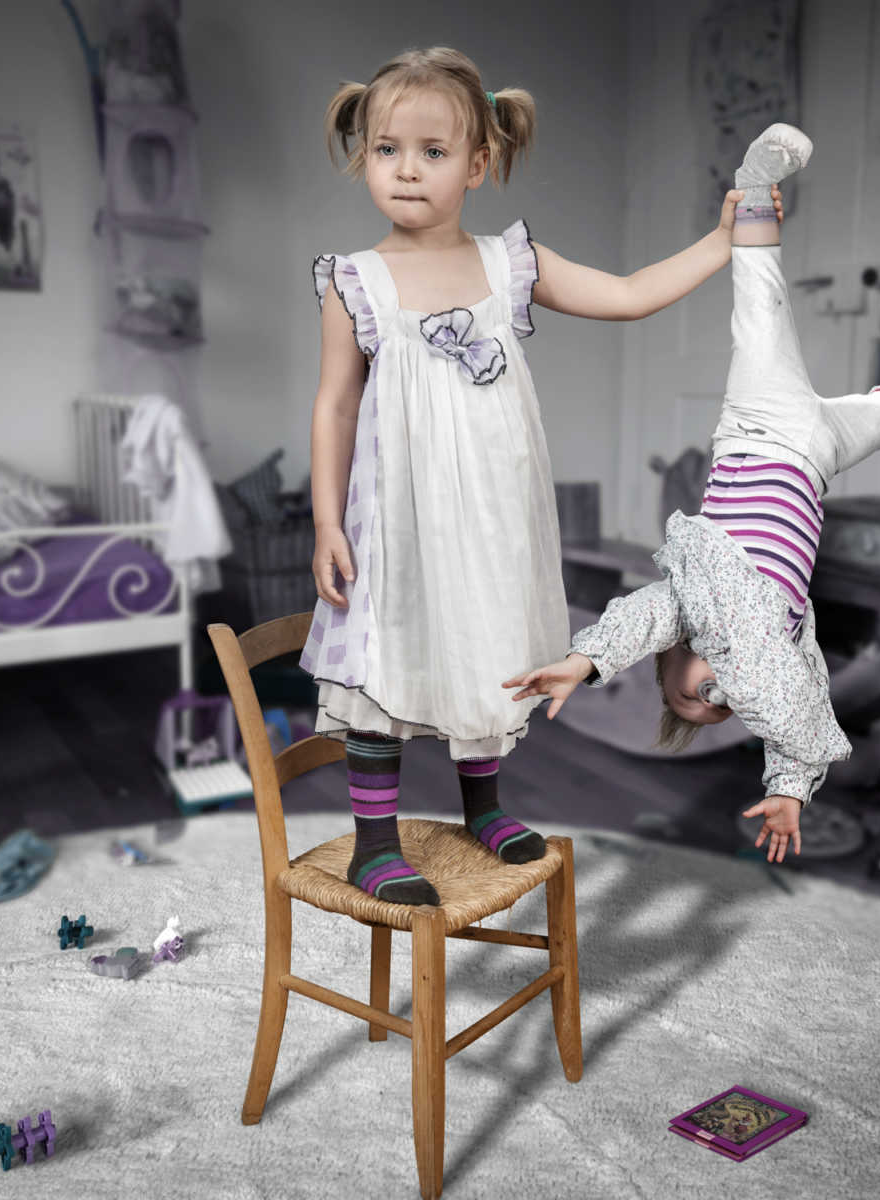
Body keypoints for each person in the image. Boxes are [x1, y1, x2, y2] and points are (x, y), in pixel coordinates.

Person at [302, 46, 782, 905]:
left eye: (433, 151)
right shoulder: (356, 283)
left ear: (480, 163)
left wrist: (721, 241)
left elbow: (631, 294)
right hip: (397, 520)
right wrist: (327, 522)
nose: (406, 170)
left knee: (489, 648)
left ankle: (484, 805)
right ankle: (377, 840)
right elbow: (337, 406)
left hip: (494, 515)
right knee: (385, 660)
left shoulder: (510, 265)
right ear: (363, 155)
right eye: (386, 150)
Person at [504, 123, 880, 865]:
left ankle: (752, 188)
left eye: (690, 695)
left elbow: (633, 622)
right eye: (716, 710)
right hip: (815, 461)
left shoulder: (688, 602)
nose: (712, 698)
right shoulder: (779, 653)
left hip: (760, 429)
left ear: (673, 658)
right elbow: (801, 707)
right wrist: (788, 788)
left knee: (761, 311)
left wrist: (583, 664)